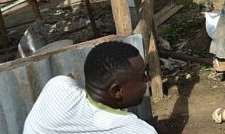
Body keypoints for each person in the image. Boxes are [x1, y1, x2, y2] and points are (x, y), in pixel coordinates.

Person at [23, 41, 157, 134]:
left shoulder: (58, 85)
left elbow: (69, 78)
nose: (147, 78)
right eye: (142, 76)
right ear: (117, 91)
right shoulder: (138, 130)